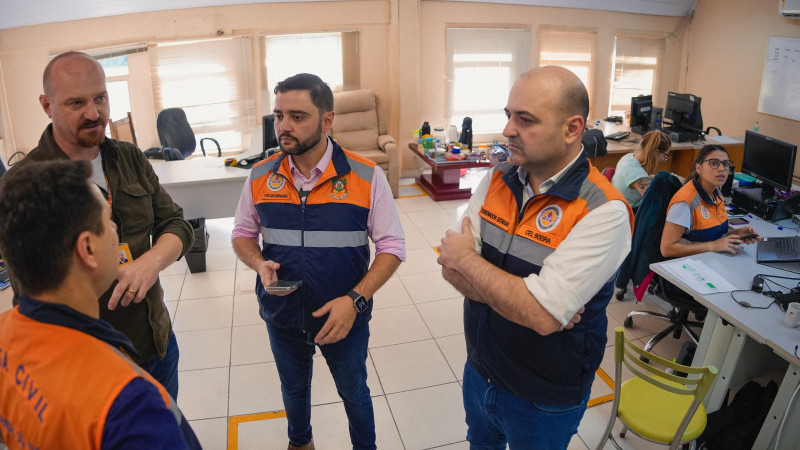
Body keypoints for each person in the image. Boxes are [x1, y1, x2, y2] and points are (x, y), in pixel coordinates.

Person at [437, 66, 633, 449]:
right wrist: (529, 303)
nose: (508, 129)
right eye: (509, 115)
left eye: (525, 120)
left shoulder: (603, 210)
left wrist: (471, 262)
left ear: (572, 129)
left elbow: (538, 314)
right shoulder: (497, 179)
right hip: (480, 371)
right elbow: (450, 268)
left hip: (542, 398)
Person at [231, 73, 405, 450]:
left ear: (327, 120)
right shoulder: (261, 175)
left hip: (344, 316)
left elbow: (392, 247)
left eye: (297, 116)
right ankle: (300, 442)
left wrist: (355, 301)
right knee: (293, 389)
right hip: (282, 313)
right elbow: (242, 235)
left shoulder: (366, 175)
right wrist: (258, 263)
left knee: (354, 392)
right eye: (278, 116)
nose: (284, 127)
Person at [8, 51, 194, 399]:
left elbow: (176, 223)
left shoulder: (129, 157)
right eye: (76, 103)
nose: (94, 113)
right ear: (47, 105)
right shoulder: (24, 184)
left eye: (100, 98)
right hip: (89, 369)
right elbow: (28, 296)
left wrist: (149, 264)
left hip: (156, 344)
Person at [0, 160, 201, 449]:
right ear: (88, 249)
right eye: (107, 221)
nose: (115, 228)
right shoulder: (130, 407)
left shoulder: (6, 335)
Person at [661, 144, 760, 257]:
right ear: (699, 168)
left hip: (710, 258)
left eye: (725, 164)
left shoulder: (716, 192)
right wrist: (712, 246)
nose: (722, 168)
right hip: (688, 265)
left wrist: (736, 233)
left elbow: (709, 232)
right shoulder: (685, 203)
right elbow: (667, 249)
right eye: (714, 163)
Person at [611, 129, 671, 210]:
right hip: (627, 212)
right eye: (665, 156)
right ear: (656, 152)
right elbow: (655, 200)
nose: (664, 160)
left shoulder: (629, 157)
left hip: (616, 204)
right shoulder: (638, 176)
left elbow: (640, 175)